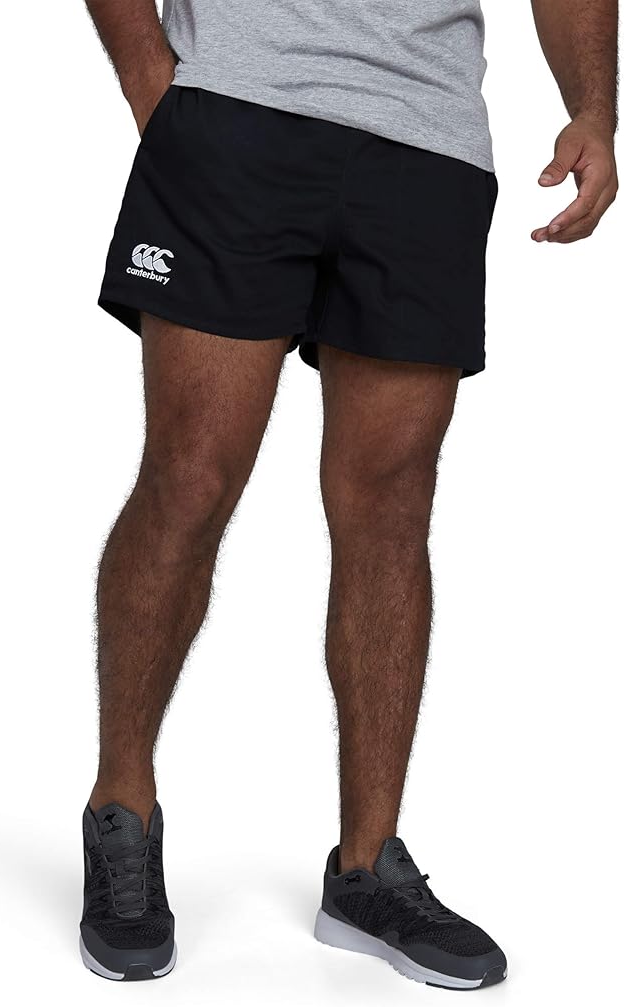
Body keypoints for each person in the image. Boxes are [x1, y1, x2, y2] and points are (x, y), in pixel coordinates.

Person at [80, 0, 618, 987]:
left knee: (391, 509)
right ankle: (122, 809)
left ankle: (366, 868)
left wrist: (591, 108)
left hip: (427, 145)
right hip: (237, 118)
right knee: (191, 477)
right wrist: (150, 78)